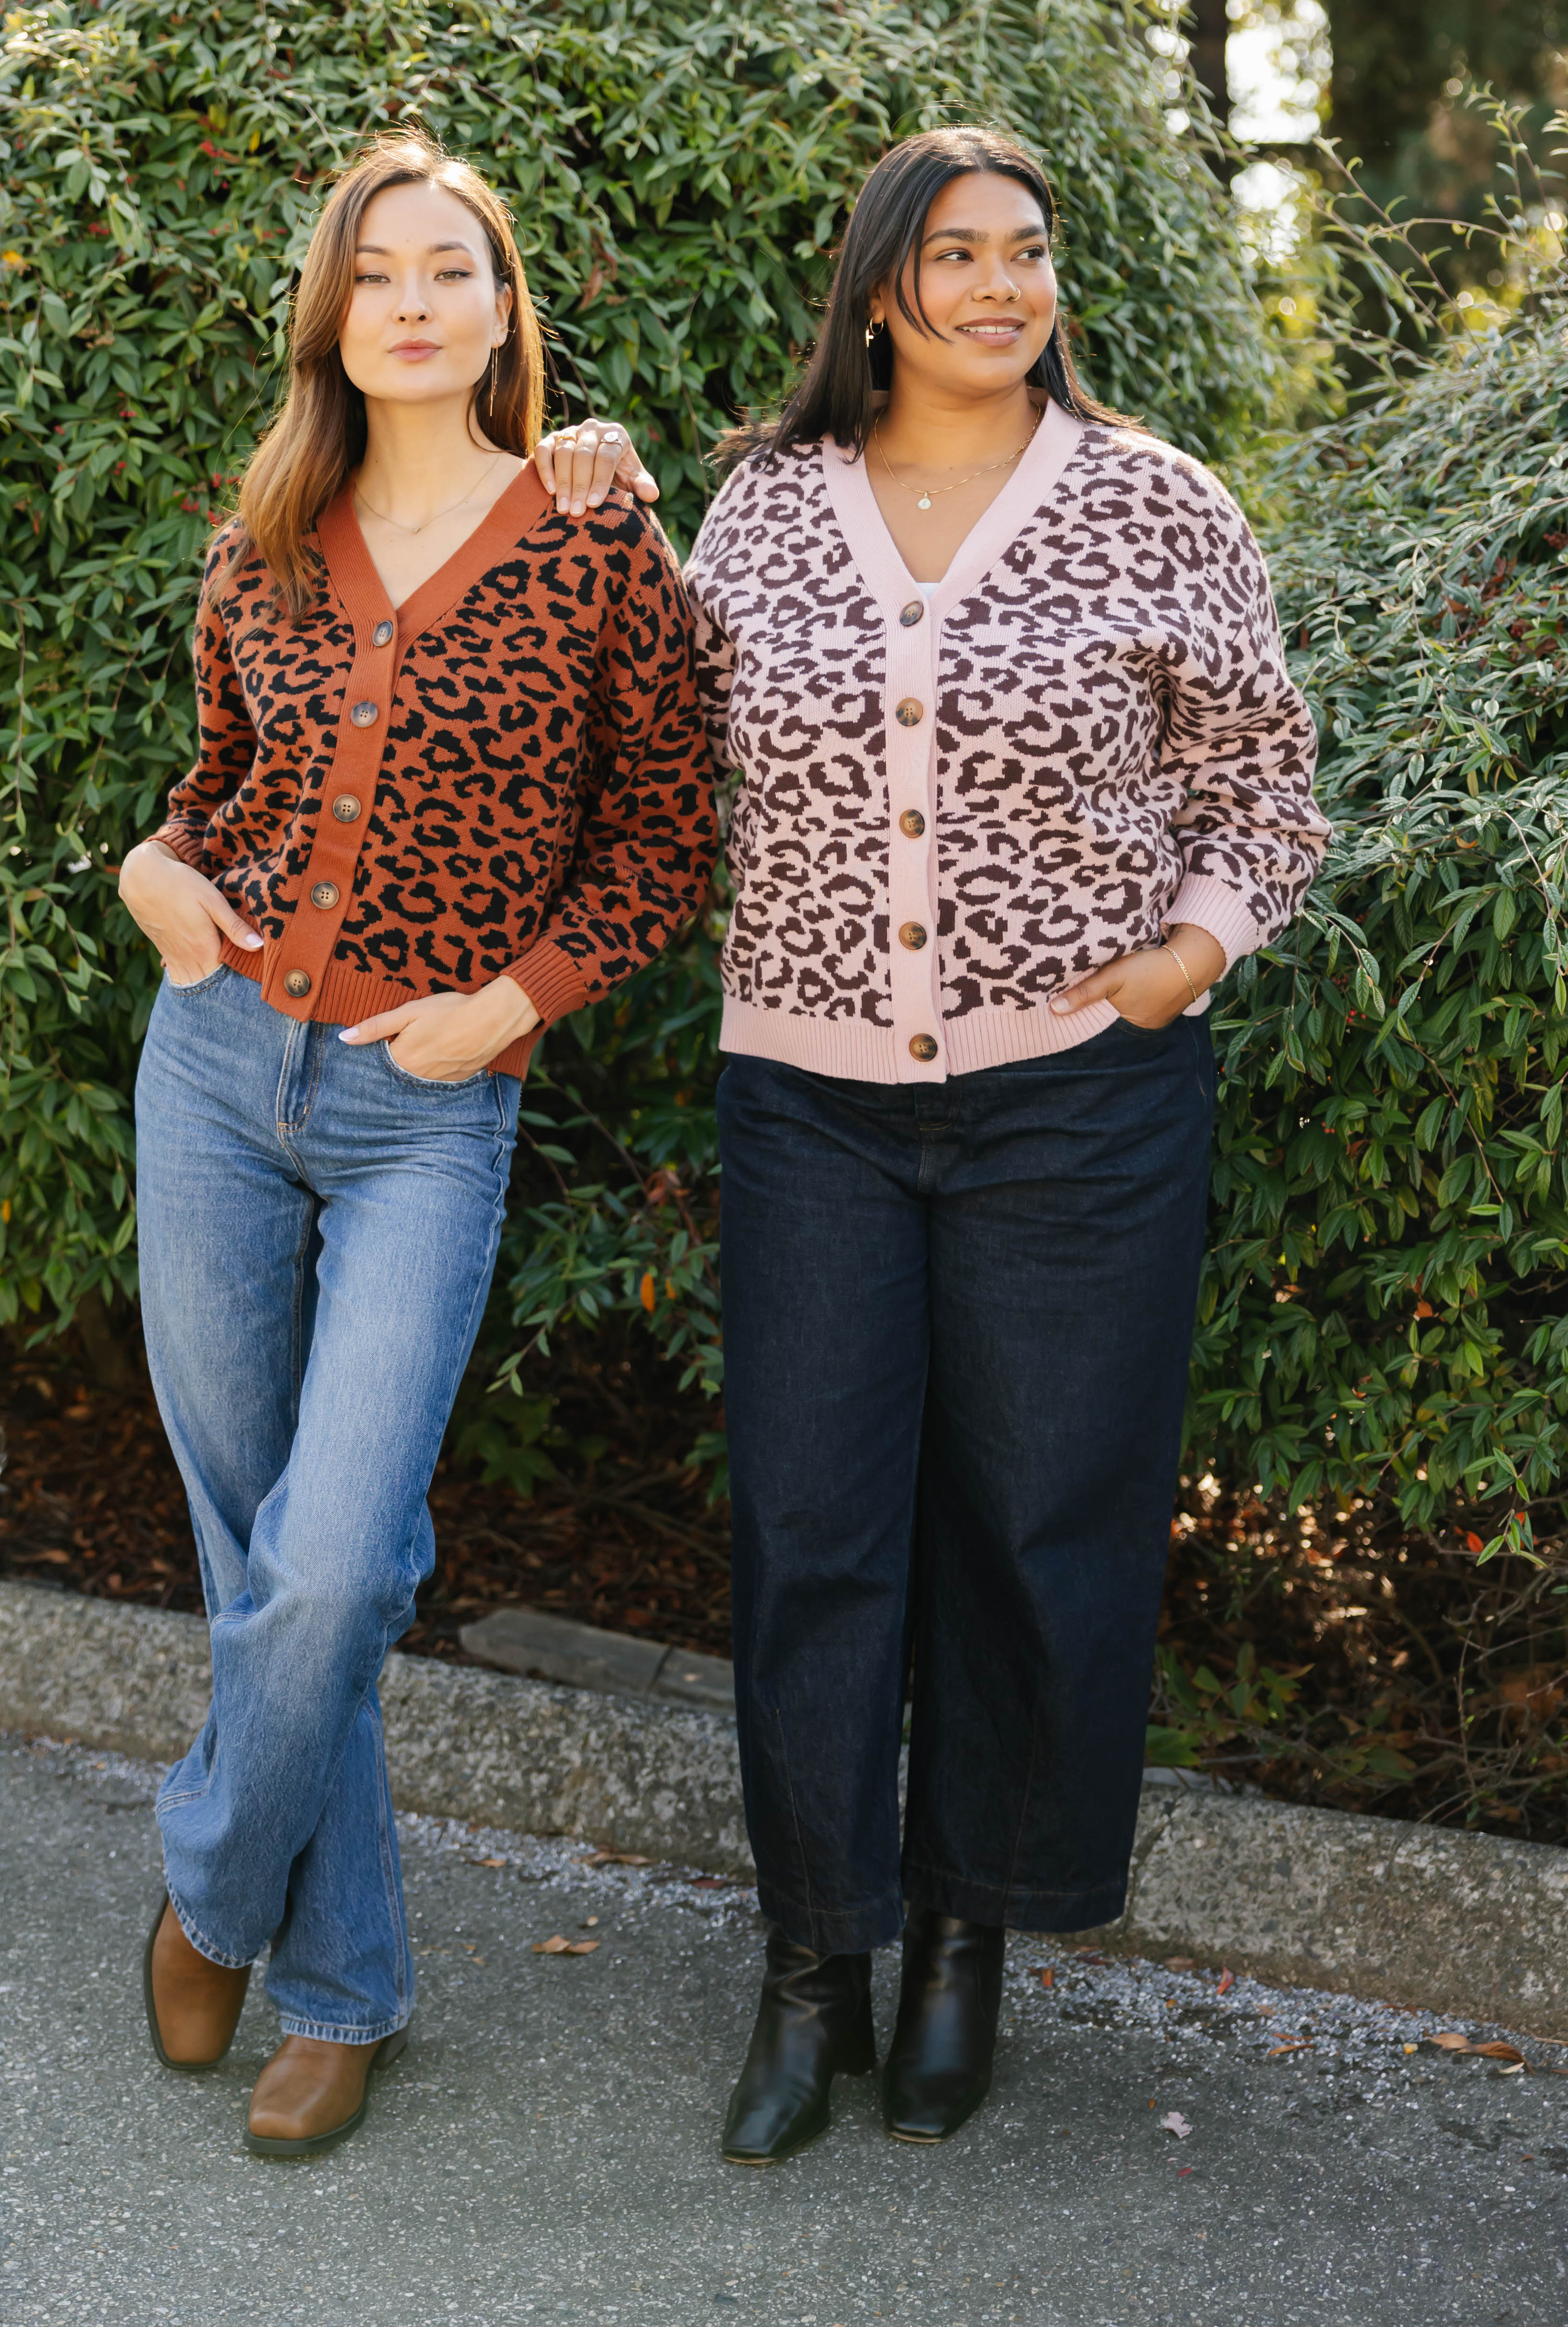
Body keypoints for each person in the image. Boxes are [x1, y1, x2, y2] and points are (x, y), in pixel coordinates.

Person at [580, 123, 1326, 2163]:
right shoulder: (768, 511)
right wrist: (601, 505)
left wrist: (1184, 957)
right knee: (815, 1537)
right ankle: (810, 1961)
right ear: (879, 291)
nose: (1003, 286)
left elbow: (1266, 787)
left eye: (1028, 251)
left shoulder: (1157, 502)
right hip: (810, 1099)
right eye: (958, 255)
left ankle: (962, 1949)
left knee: (1032, 1533)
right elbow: (661, 753)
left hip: (1076, 1106)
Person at [117, 130, 715, 2160]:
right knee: (251, 1546)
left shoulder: (593, 536)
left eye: (446, 268)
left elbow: (668, 837)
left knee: (340, 1557)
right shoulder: (264, 541)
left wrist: (512, 1005)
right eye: (372, 272)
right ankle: (350, 1991)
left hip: (423, 1114)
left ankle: (206, 1884)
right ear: (331, 312)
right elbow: (217, 790)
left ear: (500, 306)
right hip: (209, 1071)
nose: (407, 302)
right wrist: (150, 868)